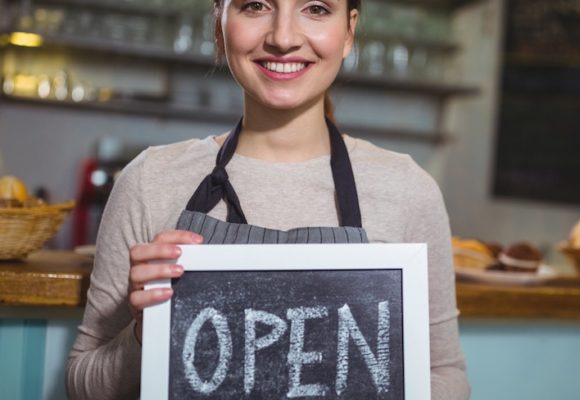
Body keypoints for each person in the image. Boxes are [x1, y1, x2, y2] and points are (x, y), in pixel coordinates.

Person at [66, 0, 470, 398]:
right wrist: (145, 330)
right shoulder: (148, 180)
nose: (283, 37)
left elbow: (445, 374)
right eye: (255, 5)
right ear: (220, 23)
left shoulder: (408, 189)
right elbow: (82, 384)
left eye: (315, 8)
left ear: (348, 32)